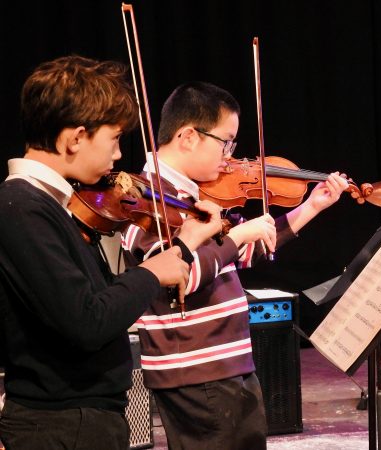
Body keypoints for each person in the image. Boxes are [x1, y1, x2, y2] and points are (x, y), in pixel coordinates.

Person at [0, 55, 221, 450]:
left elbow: (95, 301)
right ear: (75, 138)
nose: (118, 156)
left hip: (79, 422)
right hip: (62, 427)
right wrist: (151, 273)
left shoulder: (46, 206)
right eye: (115, 138)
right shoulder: (21, 207)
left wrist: (183, 246)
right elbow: (88, 321)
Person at [121, 81, 349, 450]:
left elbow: (241, 252)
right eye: (225, 142)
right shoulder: (147, 201)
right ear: (188, 137)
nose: (229, 157)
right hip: (195, 371)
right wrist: (239, 235)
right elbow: (180, 276)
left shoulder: (191, 195)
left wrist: (311, 207)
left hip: (227, 364)